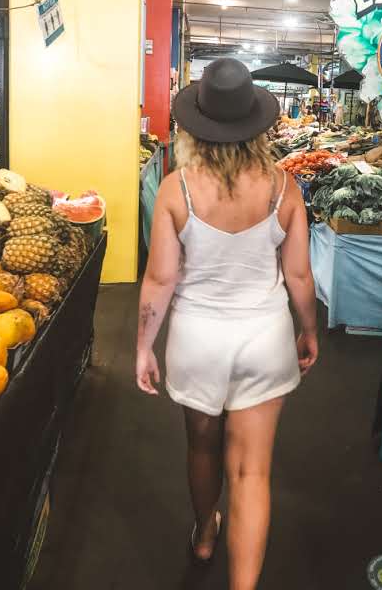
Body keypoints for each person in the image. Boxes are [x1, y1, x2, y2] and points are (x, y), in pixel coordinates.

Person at [136, 58, 318, 588]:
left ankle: (203, 534)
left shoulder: (177, 189)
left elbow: (159, 280)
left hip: (196, 340)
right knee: (251, 472)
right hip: (265, 337)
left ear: (196, 125)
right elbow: (301, 276)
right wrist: (308, 331)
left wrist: (144, 346)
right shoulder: (284, 189)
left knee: (201, 445)